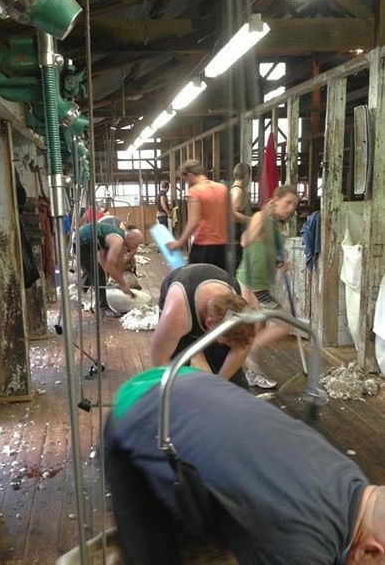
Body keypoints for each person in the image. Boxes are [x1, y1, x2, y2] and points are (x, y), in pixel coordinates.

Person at [104, 366, 385, 565]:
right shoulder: (300, 550)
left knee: (216, 527)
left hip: (192, 384)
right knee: (152, 555)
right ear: (371, 551)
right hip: (144, 409)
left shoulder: (355, 481)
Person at [151, 263, 255, 387]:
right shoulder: (177, 313)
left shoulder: (249, 305)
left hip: (205, 300)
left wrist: (220, 383)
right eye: (225, 340)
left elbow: (241, 347)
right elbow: (160, 359)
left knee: (233, 383)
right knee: (176, 370)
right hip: (183, 291)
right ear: (209, 323)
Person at [236, 184, 299, 388]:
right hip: (252, 284)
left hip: (258, 283)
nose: (290, 208)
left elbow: (261, 250)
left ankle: (251, 371)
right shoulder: (261, 218)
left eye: (294, 205)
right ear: (275, 199)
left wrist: (279, 262)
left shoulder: (273, 225)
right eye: (287, 202)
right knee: (284, 323)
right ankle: (247, 360)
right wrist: (263, 214)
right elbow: (246, 242)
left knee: (258, 328)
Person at [167, 160, 229, 270]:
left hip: (204, 245)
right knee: (219, 280)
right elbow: (230, 215)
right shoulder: (222, 188)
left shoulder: (195, 191)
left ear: (190, 175)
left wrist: (180, 242)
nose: (187, 183)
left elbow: (194, 220)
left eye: (186, 180)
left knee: (197, 280)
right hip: (223, 245)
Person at [77, 221, 144, 315]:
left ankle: (79, 294)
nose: (136, 247)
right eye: (136, 244)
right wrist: (123, 284)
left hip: (92, 243)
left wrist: (118, 282)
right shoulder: (117, 241)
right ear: (130, 238)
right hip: (82, 242)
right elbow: (109, 265)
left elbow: (117, 263)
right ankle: (102, 308)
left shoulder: (122, 240)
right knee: (97, 273)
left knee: (93, 271)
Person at [230, 162, 252, 271]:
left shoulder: (234, 190)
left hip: (237, 242)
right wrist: (251, 220)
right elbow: (232, 214)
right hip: (236, 244)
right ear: (247, 175)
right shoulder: (238, 192)